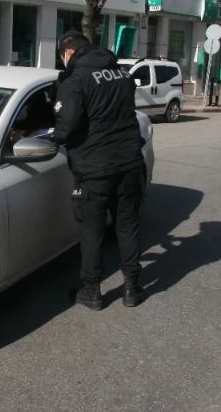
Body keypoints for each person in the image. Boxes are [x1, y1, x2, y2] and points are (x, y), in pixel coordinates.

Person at [52, 31, 147, 310]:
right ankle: (132, 287)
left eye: (62, 57)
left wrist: (49, 135)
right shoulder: (122, 74)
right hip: (129, 161)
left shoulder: (75, 81)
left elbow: (66, 127)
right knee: (127, 225)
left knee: (91, 231)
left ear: (68, 53)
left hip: (94, 167)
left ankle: (92, 291)